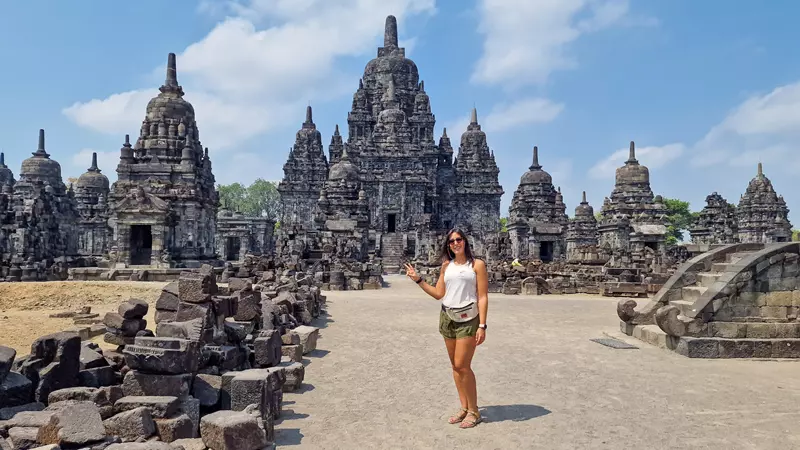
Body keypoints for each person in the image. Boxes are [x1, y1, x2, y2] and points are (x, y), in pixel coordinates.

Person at [404, 228, 488, 429]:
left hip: (469, 319)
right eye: (451, 241)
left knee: (463, 365)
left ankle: (474, 410)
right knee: (455, 366)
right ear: (448, 246)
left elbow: (483, 296)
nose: (456, 243)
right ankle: (464, 407)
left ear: (465, 242)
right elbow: (438, 293)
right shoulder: (446, 266)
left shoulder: (477, 265)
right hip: (447, 317)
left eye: (459, 240)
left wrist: (483, 325)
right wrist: (418, 280)